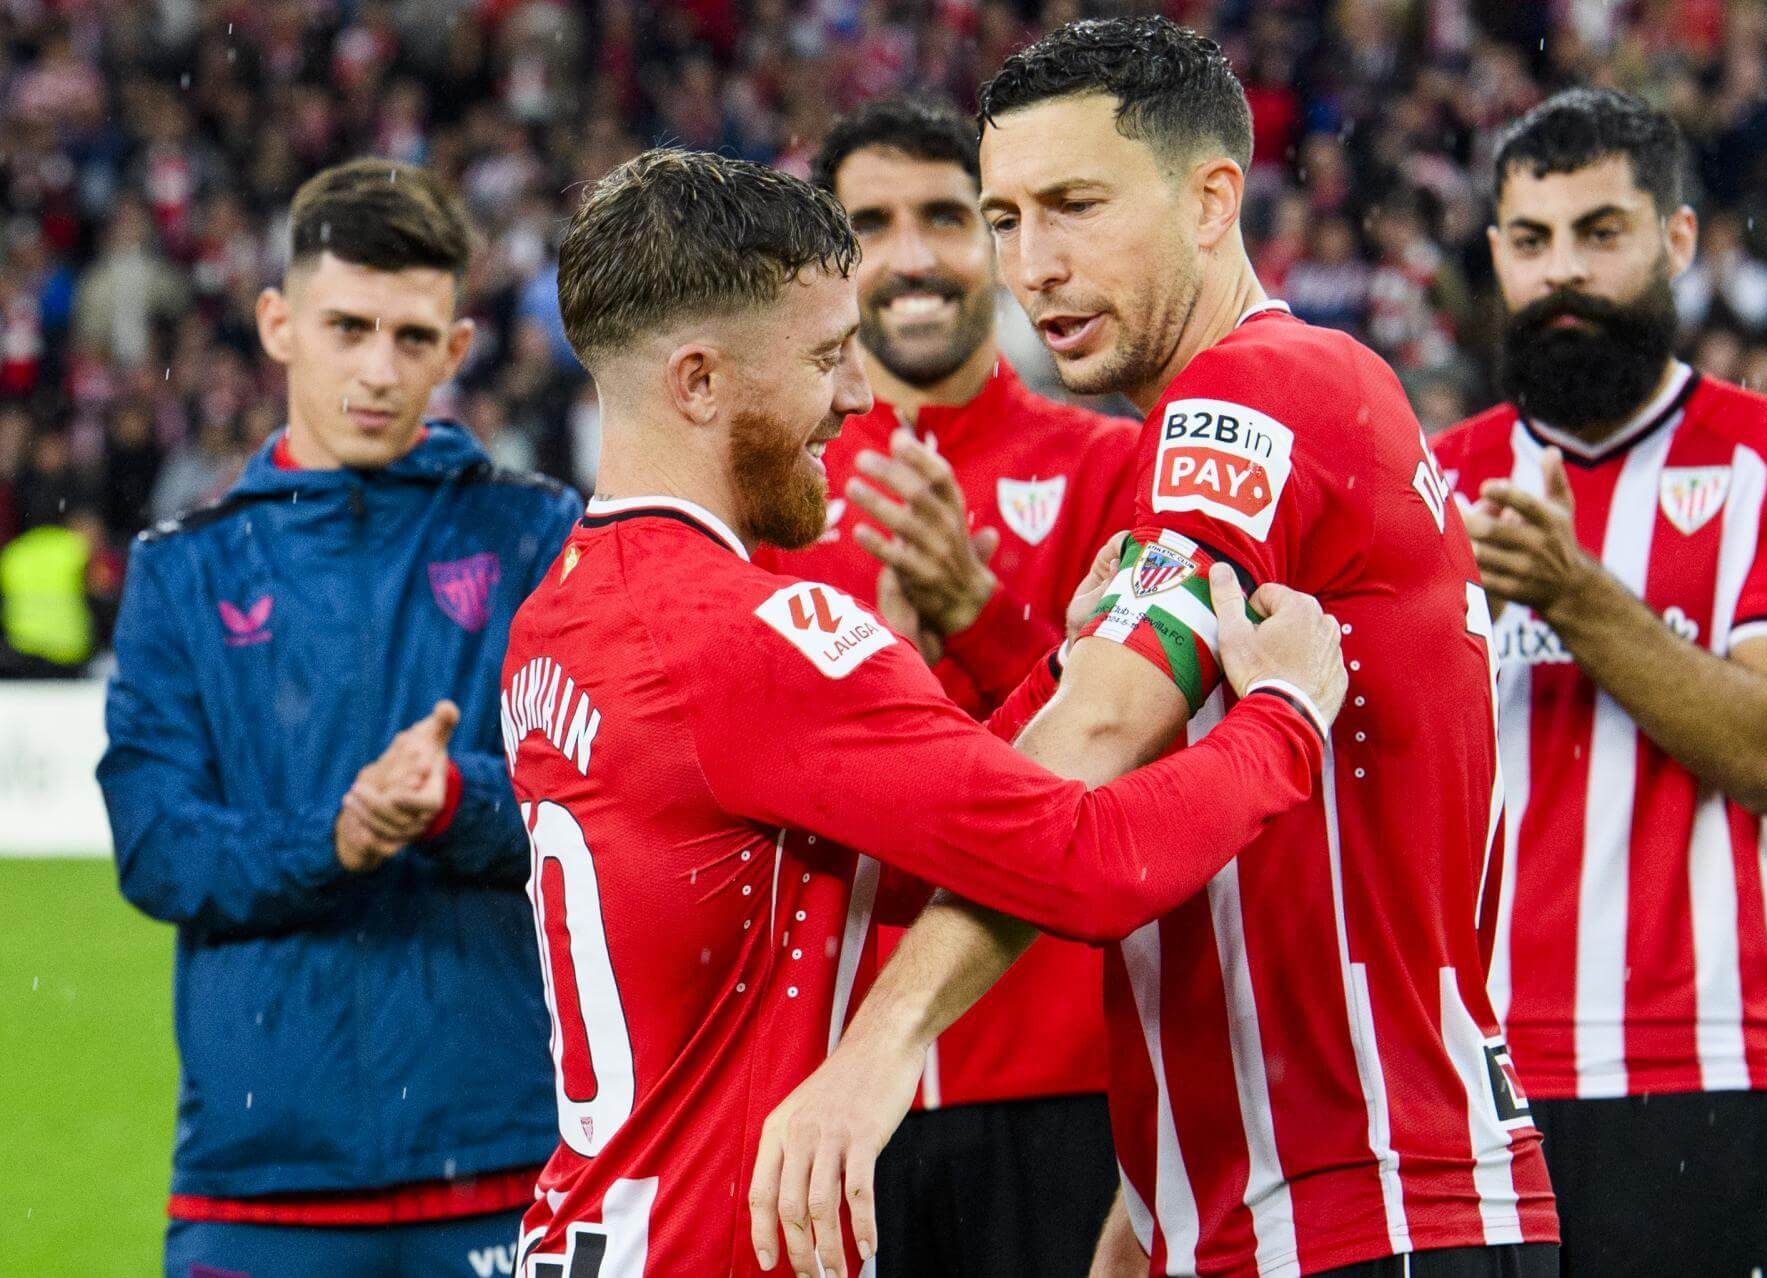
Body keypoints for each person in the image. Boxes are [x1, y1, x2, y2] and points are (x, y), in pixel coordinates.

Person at [755, 18, 1558, 1278]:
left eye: (1076, 207)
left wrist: (873, 1052)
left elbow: (1092, 740)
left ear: (1211, 200)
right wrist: (1146, 1220)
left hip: (1358, 1208)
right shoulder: (1255, 419)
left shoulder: (1257, 389)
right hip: (1291, 1200)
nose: (1035, 266)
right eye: (1008, 218)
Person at [501, 146, 1347, 1278]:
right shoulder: (744, 638)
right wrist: (1283, 718)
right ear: (698, 383)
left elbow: (901, 856)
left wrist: (1055, 670)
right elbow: (1081, 861)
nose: (857, 398)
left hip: (597, 1228)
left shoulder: (555, 618)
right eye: (824, 359)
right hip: (713, 1248)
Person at [96, 158, 581, 1278]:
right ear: (278, 324)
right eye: (347, 328)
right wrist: (336, 838)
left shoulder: (536, 535)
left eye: (412, 338)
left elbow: (599, 804)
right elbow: (157, 846)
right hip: (260, 1180)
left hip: (500, 1157)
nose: (378, 369)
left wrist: (457, 800)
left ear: (456, 349)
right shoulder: (183, 569)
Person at [1430, 89, 1767, 1277]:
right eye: (1531, 241)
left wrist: (1572, 595)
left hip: (1692, 1069)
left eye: (1600, 232)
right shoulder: (1428, 482)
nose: (1562, 271)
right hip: (1459, 1074)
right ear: (1496, 257)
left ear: (1675, 241)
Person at [754, 96, 1138, 1276]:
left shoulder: (1109, 466)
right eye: (871, 226)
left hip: (1059, 1075)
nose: (913, 255)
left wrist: (980, 612)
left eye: (949, 217)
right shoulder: (770, 497)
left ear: (999, 241)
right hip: (827, 1088)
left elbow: (1138, 765)